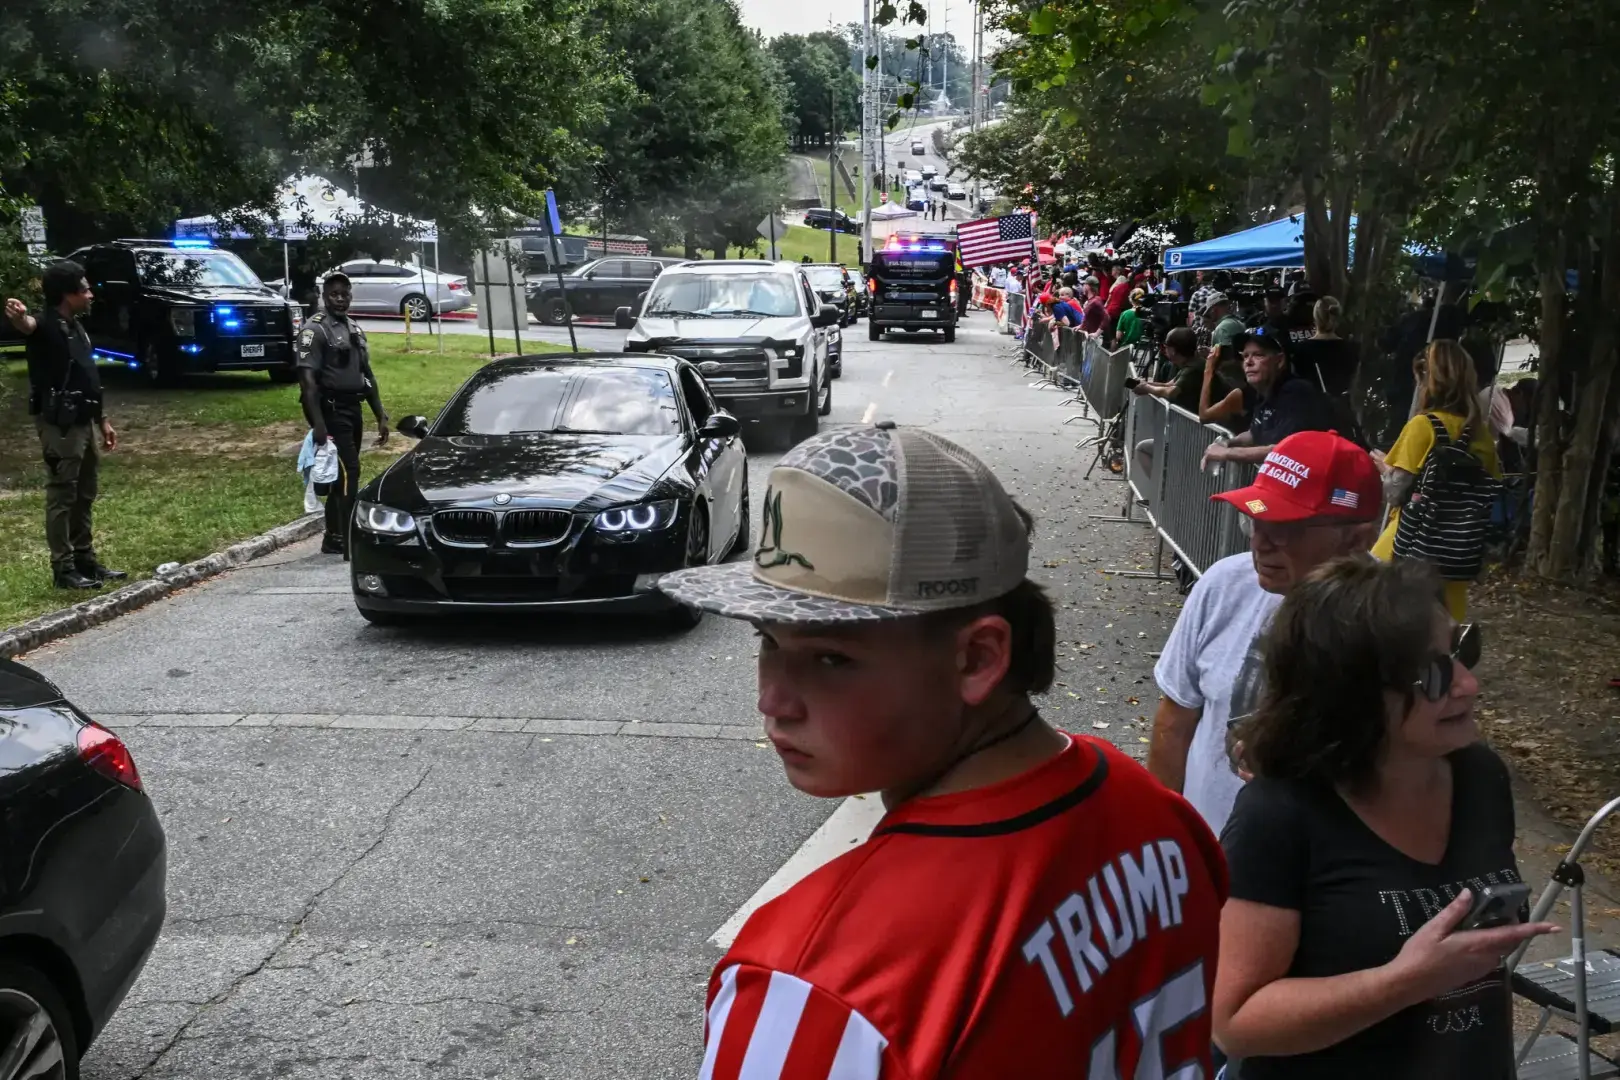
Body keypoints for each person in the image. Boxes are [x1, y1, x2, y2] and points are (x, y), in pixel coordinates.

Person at [658, 425, 1227, 1079]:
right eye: (768, 642)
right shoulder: (1161, 819)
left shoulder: (819, 983)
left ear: (978, 658)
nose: (774, 701)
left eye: (831, 657)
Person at [1216, 556, 1556, 1078]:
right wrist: (1404, 981)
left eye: (1463, 649)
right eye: (1433, 674)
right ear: (1351, 694)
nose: (1467, 684)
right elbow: (1235, 1021)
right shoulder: (1281, 813)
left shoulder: (1480, 777)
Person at [1149, 430, 1381, 837]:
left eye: (1287, 528)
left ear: (1358, 539)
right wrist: (1164, 837)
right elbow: (1175, 721)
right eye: (1254, 520)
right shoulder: (1223, 585)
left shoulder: (1398, 622)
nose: (1261, 543)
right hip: (1209, 858)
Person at [6, 263, 126, 590]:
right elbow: (27, 325)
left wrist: (102, 420)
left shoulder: (75, 327)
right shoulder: (45, 324)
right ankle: (63, 568)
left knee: (85, 492)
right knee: (62, 493)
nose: (90, 294)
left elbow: (88, 376)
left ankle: (86, 560)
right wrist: (18, 315)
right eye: (84, 289)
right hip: (59, 424)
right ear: (68, 294)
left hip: (84, 421)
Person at [1371, 340, 1501, 621]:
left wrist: (1384, 467)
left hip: (1407, 548)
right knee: (1440, 638)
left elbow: (1395, 492)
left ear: (1429, 381)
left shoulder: (1422, 426)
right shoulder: (1482, 437)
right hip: (1456, 555)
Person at [297, 273, 390, 556]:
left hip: (354, 408)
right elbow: (308, 384)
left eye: (345, 294)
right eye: (335, 294)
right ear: (325, 296)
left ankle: (333, 536)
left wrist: (380, 414)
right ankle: (350, 539)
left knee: (341, 477)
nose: (340, 299)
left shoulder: (354, 329)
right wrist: (318, 424)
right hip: (331, 410)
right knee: (351, 471)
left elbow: (367, 375)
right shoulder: (315, 330)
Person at [1202, 328, 1339, 469]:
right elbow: (1255, 432)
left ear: (1279, 361)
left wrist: (1227, 453)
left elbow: (1282, 450)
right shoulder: (1265, 392)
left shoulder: (1297, 393)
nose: (1248, 362)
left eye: (1258, 355)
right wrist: (1229, 442)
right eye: (1245, 356)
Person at [1131, 327, 1238, 491]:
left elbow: (1172, 391)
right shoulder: (1191, 365)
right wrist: (1143, 383)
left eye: (1166, 346)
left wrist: (1147, 389)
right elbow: (1169, 385)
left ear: (1173, 350)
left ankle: (1163, 494)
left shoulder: (1194, 369)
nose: (1164, 349)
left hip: (1202, 436)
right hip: (1196, 433)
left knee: (1143, 450)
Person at [1288, 296, 1359, 397]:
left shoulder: (1301, 351)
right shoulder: (1352, 349)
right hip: (1344, 409)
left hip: (1312, 409)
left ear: (1315, 318)